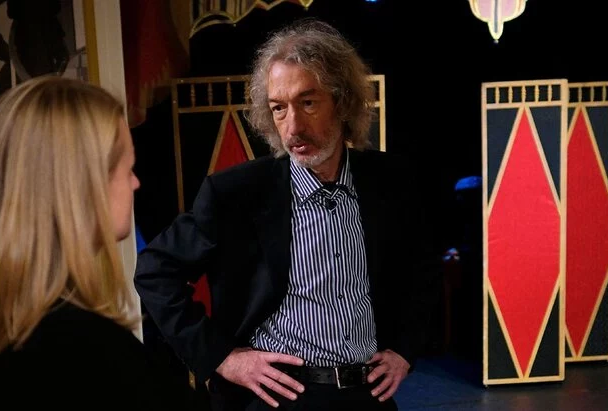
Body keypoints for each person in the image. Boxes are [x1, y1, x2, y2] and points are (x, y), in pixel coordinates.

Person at [134, 19, 439, 411]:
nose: (293, 127)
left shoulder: (391, 180)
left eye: (308, 103)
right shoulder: (235, 193)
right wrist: (221, 357)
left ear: (341, 102)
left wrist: (404, 351)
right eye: (279, 108)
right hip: (276, 397)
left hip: (366, 395)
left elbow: (423, 273)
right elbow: (155, 271)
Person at [0, 76, 178, 410]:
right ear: (83, 187)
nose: (135, 183)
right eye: (127, 168)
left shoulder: (23, 326)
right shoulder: (84, 347)